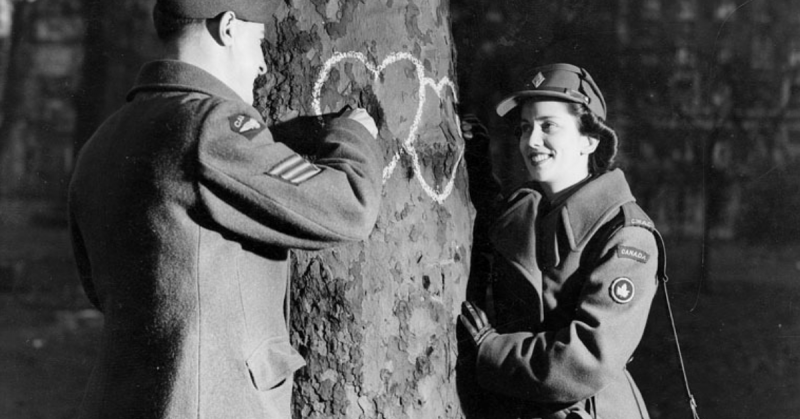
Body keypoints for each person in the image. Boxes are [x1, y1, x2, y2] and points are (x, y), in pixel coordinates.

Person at [67, 1, 383, 418]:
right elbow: (350, 206)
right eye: (259, 43)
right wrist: (354, 135)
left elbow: (97, 287)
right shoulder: (211, 125)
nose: (263, 66)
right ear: (228, 29)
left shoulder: (103, 142)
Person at [459, 63, 660, 419]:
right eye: (525, 128)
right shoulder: (526, 208)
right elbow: (491, 222)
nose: (531, 141)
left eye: (548, 126)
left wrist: (491, 350)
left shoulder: (626, 235)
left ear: (590, 139)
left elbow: (587, 359)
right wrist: (471, 164)